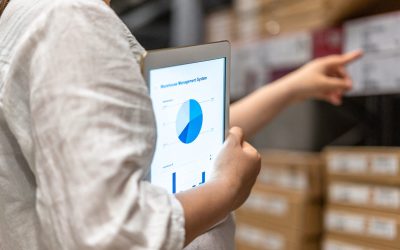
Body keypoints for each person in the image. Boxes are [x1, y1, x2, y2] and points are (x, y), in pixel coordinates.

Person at [0, 0, 361, 249]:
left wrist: (295, 86)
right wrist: (228, 189)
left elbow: (182, 135)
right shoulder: (72, 21)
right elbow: (108, 235)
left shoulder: (44, 16)